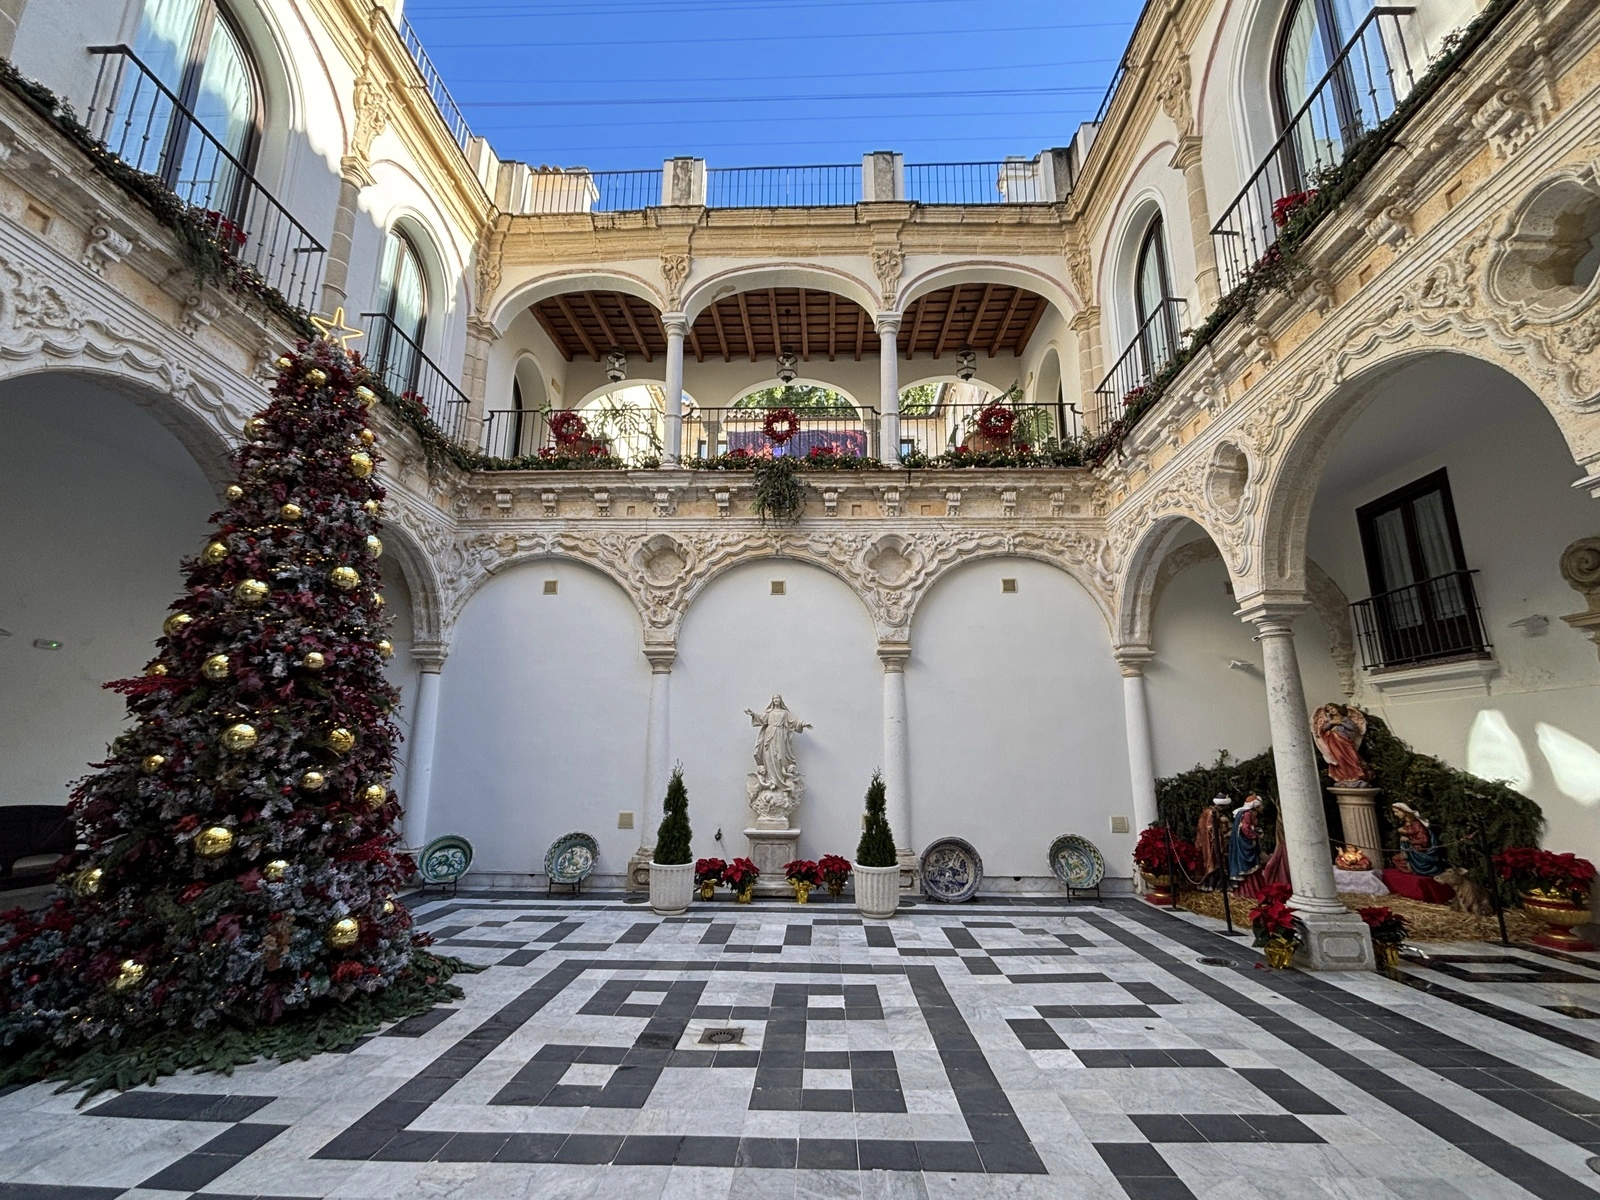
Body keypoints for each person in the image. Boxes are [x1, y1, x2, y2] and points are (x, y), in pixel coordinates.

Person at [1390, 802, 1444, 875]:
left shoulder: (1417, 824)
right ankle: (1411, 868)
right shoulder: (1407, 823)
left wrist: (1408, 840)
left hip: (1419, 851)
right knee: (1396, 858)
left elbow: (1424, 841)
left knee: (1400, 859)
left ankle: (1418, 868)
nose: (1395, 814)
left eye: (1397, 812)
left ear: (1405, 811)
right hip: (1411, 850)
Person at [1229, 795, 1263, 884]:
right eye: (1261, 805)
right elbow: (1245, 828)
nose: (1262, 807)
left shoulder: (1249, 813)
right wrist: (1256, 836)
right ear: (1256, 806)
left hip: (1248, 840)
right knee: (1249, 863)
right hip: (1245, 842)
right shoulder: (1247, 814)